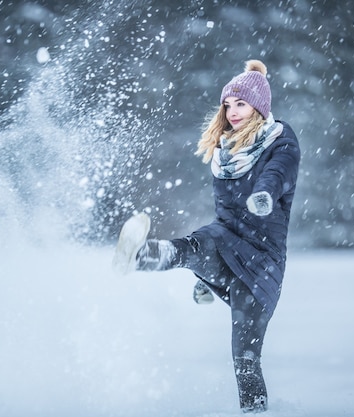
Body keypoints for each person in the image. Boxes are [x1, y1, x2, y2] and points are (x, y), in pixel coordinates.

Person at [112, 59, 300, 413]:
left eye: (240, 104)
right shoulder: (226, 149)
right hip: (226, 239)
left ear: (258, 106)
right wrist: (208, 276)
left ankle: (255, 413)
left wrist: (265, 195)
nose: (231, 111)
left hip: (263, 264)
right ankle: (137, 256)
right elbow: (225, 213)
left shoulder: (281, 139)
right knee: (194, 246)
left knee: (245, 358)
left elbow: (278, 172)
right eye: (227, 104)